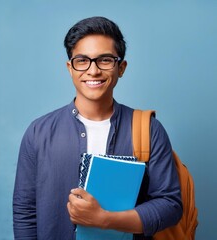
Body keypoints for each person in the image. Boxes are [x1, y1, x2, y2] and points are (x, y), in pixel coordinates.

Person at [12, 16, 182, 240]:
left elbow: (170, 205)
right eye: (82, 60)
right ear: (70, 68)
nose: (93, 71)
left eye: (105, 60)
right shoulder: (38, 132)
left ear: (121, 68)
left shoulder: (149, 129)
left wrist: (104, 219)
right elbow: (25, 211)